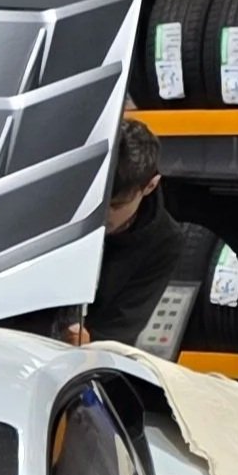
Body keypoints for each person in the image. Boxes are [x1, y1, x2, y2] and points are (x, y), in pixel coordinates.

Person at [66, 116, 181, 347]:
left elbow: (122, 328)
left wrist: (89, 340)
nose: (100, 216)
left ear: (150, 186)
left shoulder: (163, 242)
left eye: (116, 206)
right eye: (96, 202)